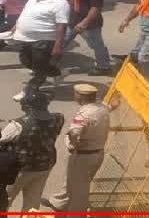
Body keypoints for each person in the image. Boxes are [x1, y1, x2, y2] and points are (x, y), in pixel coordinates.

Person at [43, 84, 110, 214]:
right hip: (98, 153)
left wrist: (73, 144)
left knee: (80, 189)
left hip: (83, 156)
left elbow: (74, 132)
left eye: (75, 94)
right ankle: (60, 203)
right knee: (72, 180)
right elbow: (112, 106)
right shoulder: (102, 107)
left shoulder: (83, 115)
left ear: (80, 96)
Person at [0, 90, 64, 212]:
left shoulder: (19, 125)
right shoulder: (58, 118)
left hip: (20, 169)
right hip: (45, 166)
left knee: (4, 200)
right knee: (33, 202)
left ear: (27, 106)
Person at [9, 0, 69, 101]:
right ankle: (57, 73)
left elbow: (61, 26)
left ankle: (29, 91)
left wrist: (58, 45)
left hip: (44, 40)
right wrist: (16, 25)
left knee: (39, 68)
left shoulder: (60, 4)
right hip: (24, 38)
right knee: (25, 61)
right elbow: (26, 11)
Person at [60, 0, 111, 76]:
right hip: (71, 21)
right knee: (61, 42)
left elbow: (96, 8)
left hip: (89, 25)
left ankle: (104, 67)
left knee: (97, 45)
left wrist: (84, 23)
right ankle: (49, 64)